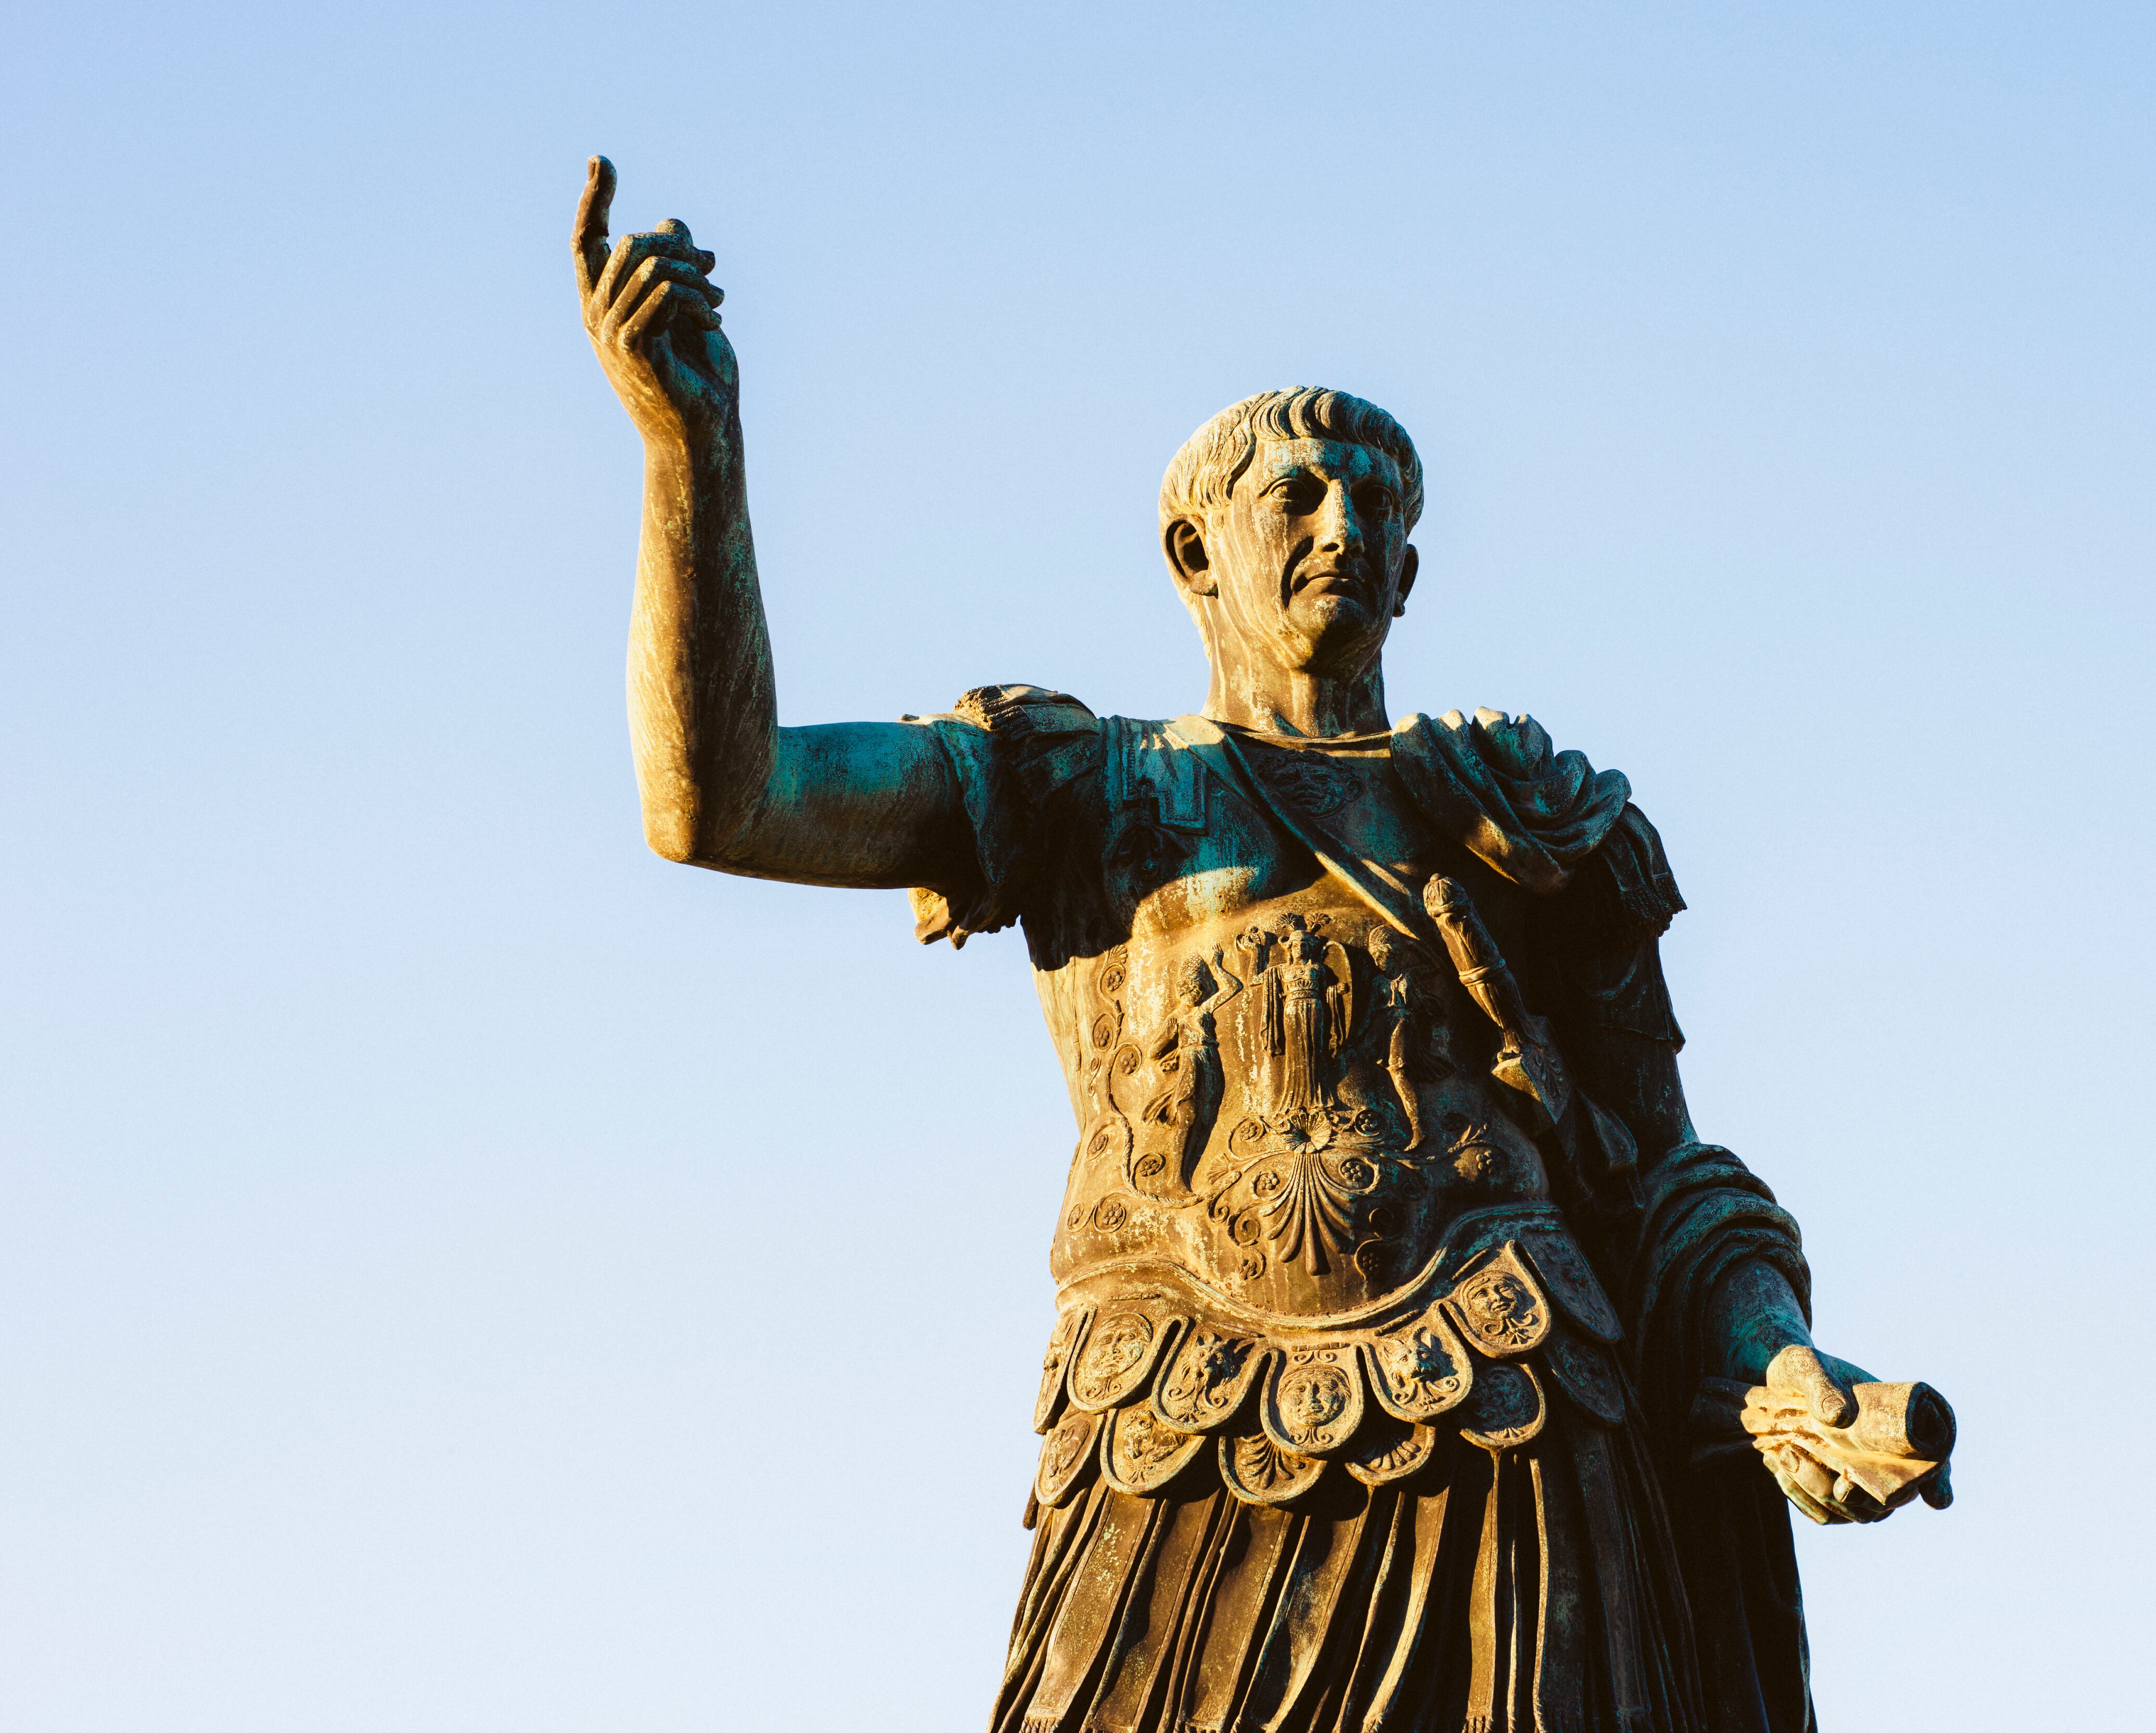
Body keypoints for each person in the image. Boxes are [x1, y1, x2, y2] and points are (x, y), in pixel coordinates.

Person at [572, 155, 1948, 1733]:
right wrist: (691, 453)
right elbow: (722, 799)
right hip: (1174, 1427)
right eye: (1296, 493)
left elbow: (1666, 1174)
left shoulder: (1521, 812)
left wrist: (1788, 1367)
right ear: (1194, 552)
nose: (1342, 525)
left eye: (1377, 509)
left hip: (1516, 1419)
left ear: (1412, 573)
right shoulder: (1084, 787)